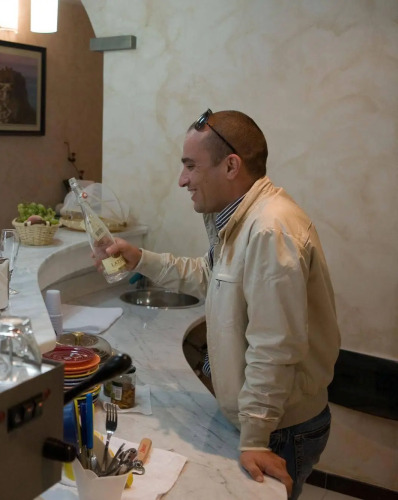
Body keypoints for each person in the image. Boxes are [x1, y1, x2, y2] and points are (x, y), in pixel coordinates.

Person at [105, 109, 340, 499]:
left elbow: (275, 346)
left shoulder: (270, 230)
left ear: (231, 166)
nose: (182, 180)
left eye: (190, 166)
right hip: (264, 423)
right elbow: (210, 275)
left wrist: (256, 438)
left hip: (278, 430)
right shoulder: (241, 219)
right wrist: (140, 259)